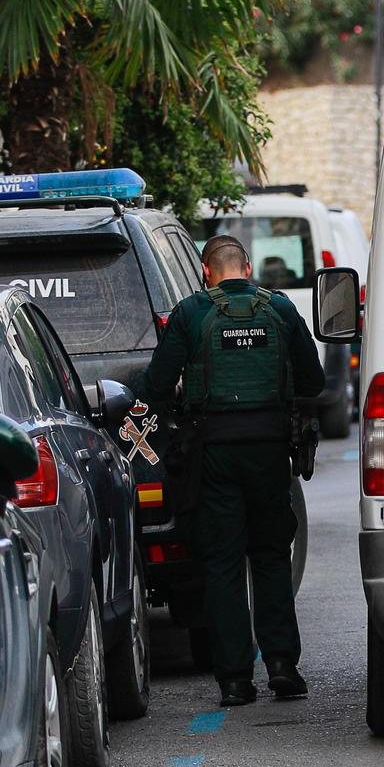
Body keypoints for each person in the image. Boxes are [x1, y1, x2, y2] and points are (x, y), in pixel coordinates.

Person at [143, 233, 324, 706]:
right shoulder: (280, 309)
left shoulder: (191, 312)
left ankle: (235, 680)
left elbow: (157, 385)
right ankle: (283, 665)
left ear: (207, 271)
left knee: (222, 563)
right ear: (248, 265)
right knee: (270, 556)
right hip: (269, 450)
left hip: (213, 453)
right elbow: (313, 379)